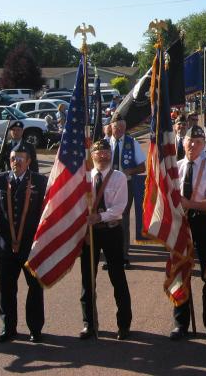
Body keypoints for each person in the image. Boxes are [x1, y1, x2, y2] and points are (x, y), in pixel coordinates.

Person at [0, 145, 48, 343]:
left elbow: (46, 213)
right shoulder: (0, 179)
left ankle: (35, 329)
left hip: (31, 247)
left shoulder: (39, 181)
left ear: (29, 161)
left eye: (20, 159)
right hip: (5, 246)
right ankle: (8, 327)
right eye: (13, 158)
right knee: (6, 289)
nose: (16, 162)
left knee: (35, 289)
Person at [170, 125, 206, 341]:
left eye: (198, 142)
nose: (193, 145)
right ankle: (180, 324)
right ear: (183, 143)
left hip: (202, 223)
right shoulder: (176, 168)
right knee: (181, 273)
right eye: (190, 141)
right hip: (181, 224)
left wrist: (188, 203)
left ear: (204, 146)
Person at [79, 139, 132, 340]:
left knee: (117, 278)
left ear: (110, 154)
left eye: (106, 152)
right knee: (87, 280)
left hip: (111, 231)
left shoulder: (118, 178)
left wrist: (99, 216)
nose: (103, 155)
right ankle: (89, 324)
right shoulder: (84, 178)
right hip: (89, 234)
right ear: (91, 155)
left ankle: (124, 324)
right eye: (98, 152)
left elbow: (119, 208)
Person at [109, 112, 146, 269]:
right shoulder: (103, 144)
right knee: (108, 219)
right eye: (117, 127)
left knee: (123, 219)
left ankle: (124, 256)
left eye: (123, 127)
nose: (120, 130)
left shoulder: (133, 143)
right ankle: (112, 256)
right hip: (107, 187)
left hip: (126, 185)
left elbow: (142, 167)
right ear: (111, 127)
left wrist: (129, 171)